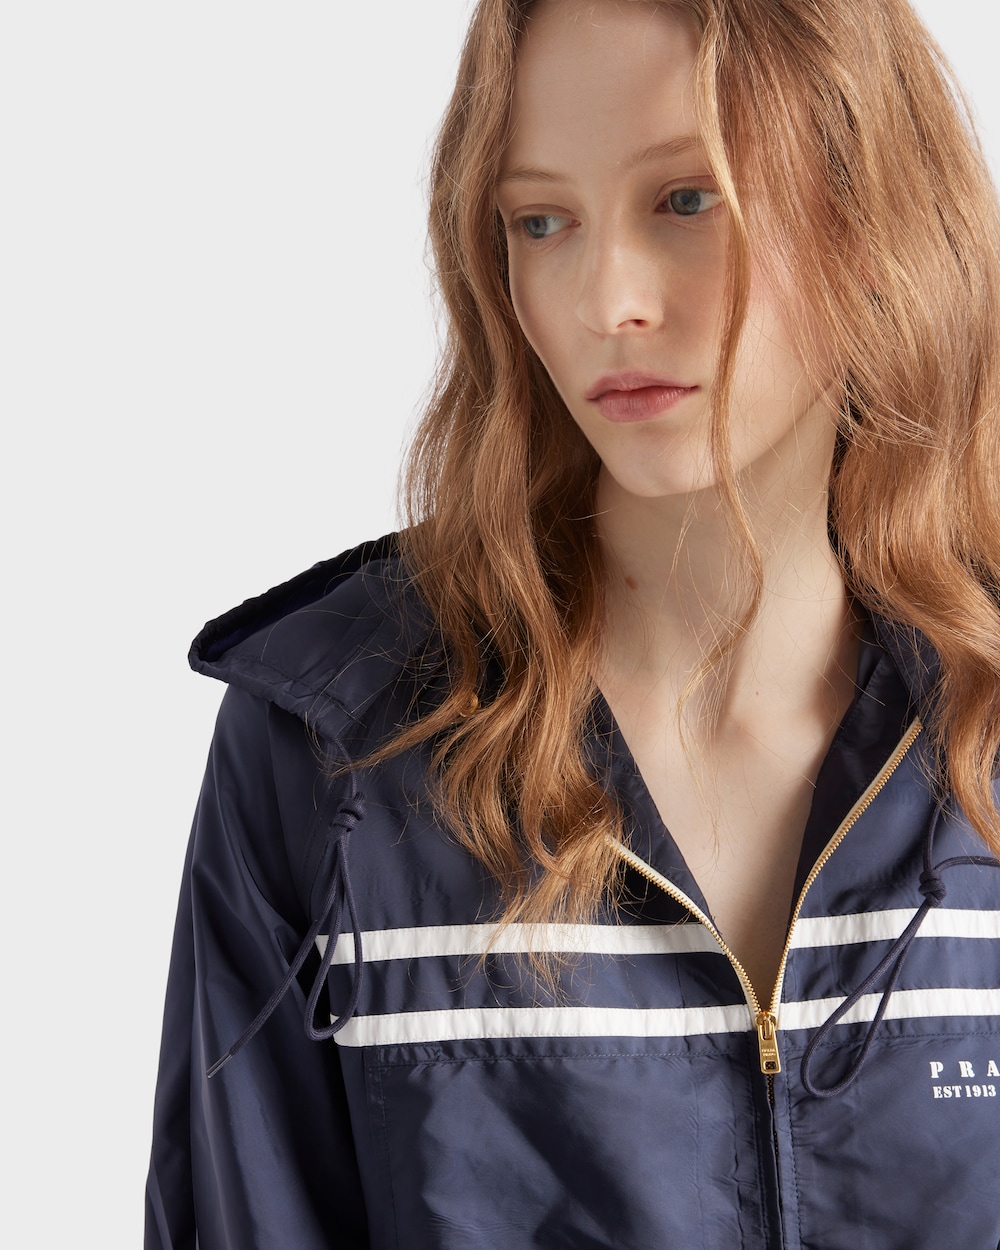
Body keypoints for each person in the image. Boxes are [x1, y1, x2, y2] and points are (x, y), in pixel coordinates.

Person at [145, 0, 1000, 1246]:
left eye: (686, 200)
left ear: (871, 211)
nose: (607, 300)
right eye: (540, 221)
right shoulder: (336, 748)